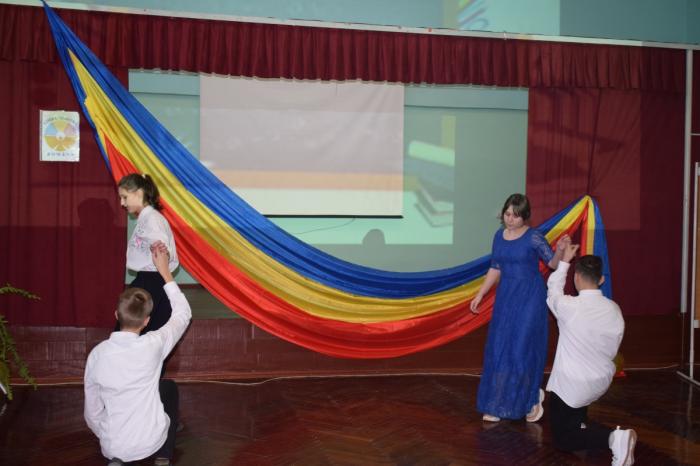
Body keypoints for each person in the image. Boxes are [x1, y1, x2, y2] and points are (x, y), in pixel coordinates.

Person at [84, 247, 192, 466]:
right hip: (150, 441)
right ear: (147, 321)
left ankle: (118, 459)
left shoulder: (97, 355)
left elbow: (92, 411)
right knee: (168, 388)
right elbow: (183, 314)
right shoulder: (153, 344)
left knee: (159, 389)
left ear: (116, 315)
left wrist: (105, 433)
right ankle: (163, 455)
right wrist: (165, 272)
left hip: (111, 445)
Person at [470, 193, 566, 423]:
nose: (510, 219)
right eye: (507, 214)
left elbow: (552, 263)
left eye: (515, 215)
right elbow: (496, 266)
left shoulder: (534, 237)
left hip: (530, 297)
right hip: (506, 297)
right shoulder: (499, 236)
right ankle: (497, 403)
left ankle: (530, 398)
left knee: (521, 348)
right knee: (500, 347)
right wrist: (480, 294)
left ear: (525, 217)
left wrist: (561, 250)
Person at [546, 243, 636, 466]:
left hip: (571, 385)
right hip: (601, 381)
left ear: (576, 278)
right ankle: (583, 425)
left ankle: (614, 438)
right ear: (601, 279)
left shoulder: (569, 307)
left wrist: (564, 262)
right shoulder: (614, 308)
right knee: (575, 416)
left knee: (563, 440)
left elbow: (553, 290)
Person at [117, 173, 179, 335]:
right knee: (134, 333)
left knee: (134, 333)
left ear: (138, 193)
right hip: (147, 281)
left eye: (124, 197)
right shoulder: (147, 218)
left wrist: (162, 250)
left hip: (152, 283)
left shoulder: (153, 219)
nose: (122, 203)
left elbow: (162, 250)